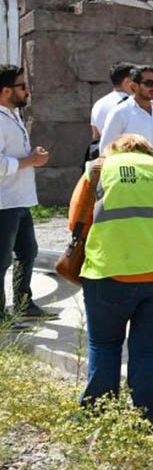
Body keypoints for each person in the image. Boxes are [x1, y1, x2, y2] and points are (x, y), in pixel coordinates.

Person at [72, 134, 153, 419]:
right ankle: (148, 414)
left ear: (113, 150)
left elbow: (75, 221)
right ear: (149, 152)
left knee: (105, 344)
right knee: (149, 347)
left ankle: (98, 412)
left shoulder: (97, 170)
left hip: (109, 273)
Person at [0, 66, 52, 324]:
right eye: (22, 86)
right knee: (1, 259)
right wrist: (30, 160)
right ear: (6, 91)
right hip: (4, 201)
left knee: (27, 252)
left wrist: (32, 155)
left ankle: (23, 304)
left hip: (20, 199)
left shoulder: (13, 114)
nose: (27, 91)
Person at [100, 64, 153, 160]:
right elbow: (105, 149)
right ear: (134, 86)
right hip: (129, 172)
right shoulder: (120, 112)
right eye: (149, 83)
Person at [88, 61, 136, 157]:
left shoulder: (98, 104)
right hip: (129, 158)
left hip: (106, 159)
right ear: (127, 82)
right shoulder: (132, 104)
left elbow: (96, 137)